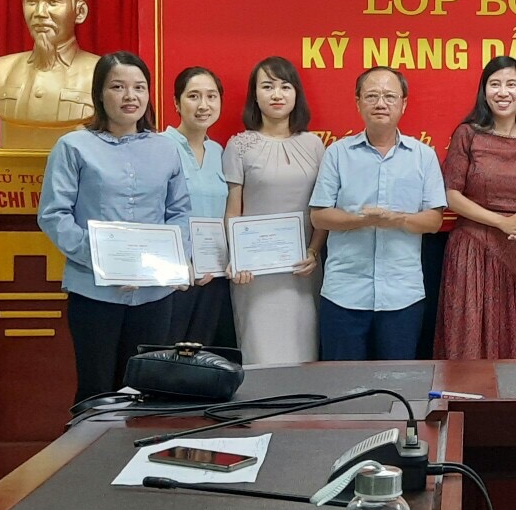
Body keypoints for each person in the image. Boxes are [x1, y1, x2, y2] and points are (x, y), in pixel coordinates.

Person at [38, 51, 190, 404]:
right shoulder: (73, 146)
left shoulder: (165, 149)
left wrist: (166, 265)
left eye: (139, 87)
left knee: (145, 391)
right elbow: (54, 215)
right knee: (96, 390)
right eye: (118, 87)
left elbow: (179, 212)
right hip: (94, 292)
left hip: (154, 294)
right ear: (99, 93)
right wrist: (108, 264)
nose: (129, 96)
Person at [310, 66, 446, 360]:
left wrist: (396, 219)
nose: (380, 103)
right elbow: (319, 216)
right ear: (358, 103)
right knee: (342, 381)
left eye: (389, 96)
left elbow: (434, 221)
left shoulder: (423, 156)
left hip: (402, 295)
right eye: (371, 96)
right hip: (344, 293)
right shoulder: (337, 153)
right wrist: (363, 220)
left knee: (398, 380)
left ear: (403, 104)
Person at [435, 56, 516, 360]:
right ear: (484, 92)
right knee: (470, 336)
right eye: (495, 84)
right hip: (472, 249)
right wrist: (501, 222)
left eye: (511, 84)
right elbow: (451, 195)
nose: (503, 92)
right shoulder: (468, 134)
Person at [224, 56, 326, 365]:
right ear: (255, 95)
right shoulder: (239, 145)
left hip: (302, 269)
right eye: (267, 87)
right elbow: (233, 210)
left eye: (285, 86)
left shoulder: (314, 145)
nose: (277, 95)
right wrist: (237, 257)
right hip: (254, 274)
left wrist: (313, 251)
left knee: (302, 352)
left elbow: (322, 208)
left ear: (296, 94)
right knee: (260, 353)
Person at [0, 0, 101, 149]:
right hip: (9, 166)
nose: (40, 13)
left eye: (53, 2)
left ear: (79, 11)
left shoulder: (102, 74)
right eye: (32, 1)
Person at [163, 66, 235, 348]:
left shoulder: (220, 152)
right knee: (168, 357)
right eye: (193, 96)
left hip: (214, 275)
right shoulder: (159, 146)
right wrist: (180, 261)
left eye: (211, 96)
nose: (204, 105)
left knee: (205, 358)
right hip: (174, 277)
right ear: (176, 102)